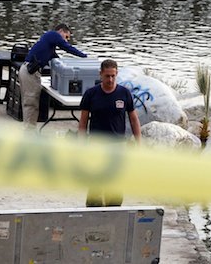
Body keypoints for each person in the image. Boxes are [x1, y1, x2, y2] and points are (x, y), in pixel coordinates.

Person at [78, 58, 141, 206]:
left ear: (117, 74)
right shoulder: (91, 94)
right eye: (107, 76)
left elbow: (134, 120)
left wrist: (138, 143)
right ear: (100, 74)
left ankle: (114, 211)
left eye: (113, 76)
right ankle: (93, 212)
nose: (110, 79)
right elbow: (83, 122)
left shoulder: (124, 93)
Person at [18, 23, 87, 128]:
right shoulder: (53, 35)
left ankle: (30, 129)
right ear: (61, 31)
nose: (66, 40)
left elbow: (58, 60)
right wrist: (84, 56)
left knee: (33, 103)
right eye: (66, 36)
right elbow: (67, 48)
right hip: (29, 72)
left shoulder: (49, 45)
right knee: (30, 103)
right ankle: (29, 132)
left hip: (29, 72)